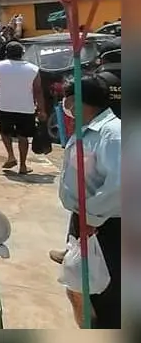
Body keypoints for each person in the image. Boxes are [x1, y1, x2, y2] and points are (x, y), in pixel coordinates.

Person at [50, 75, 121, 328]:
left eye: (67, 100)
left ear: (78, 101)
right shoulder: (88, 130)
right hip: (85, 221)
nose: (64, 106)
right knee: (79, 289)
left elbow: (121, 185)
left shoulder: (112, 135)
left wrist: (91, 217)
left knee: (105, 296)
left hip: (106, 225)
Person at [0, 41, 43, 175]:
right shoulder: (33, 69)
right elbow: (38, 90)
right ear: (22, 53)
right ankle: (23, 165)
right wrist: (42, 109)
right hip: (26, 107)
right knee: (23, 136)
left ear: (6, 53)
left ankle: (11, 156)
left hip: (4, 105)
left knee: (4, 132)